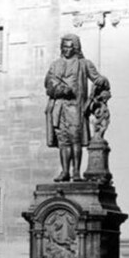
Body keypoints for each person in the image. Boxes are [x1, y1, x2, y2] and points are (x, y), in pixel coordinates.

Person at [44, 34, 109, 182]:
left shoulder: (84, 63)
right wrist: (57, 87)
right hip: (59, 107)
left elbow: (96, 77)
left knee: (75, 140)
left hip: (75, 107)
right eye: (64, 47)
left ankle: (76, 172)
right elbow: (48, 82)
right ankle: (65, 171)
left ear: (76, 48)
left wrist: (103, 81)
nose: (66, 50)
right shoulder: (55, 64)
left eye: (69, 47)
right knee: (63, 141)